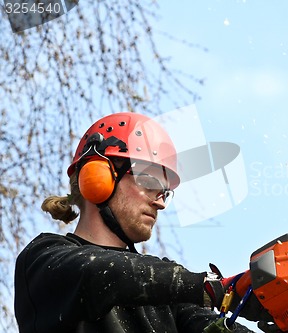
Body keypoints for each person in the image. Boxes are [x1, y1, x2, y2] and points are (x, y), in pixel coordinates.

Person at [14, 112, 271, 333]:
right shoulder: (44, 260)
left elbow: (206, 324)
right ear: (98, 176)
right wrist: (213, 287)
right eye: (149, 182)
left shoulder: (167, 294)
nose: (159, 202)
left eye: (164, 192)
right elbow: (102, 272)